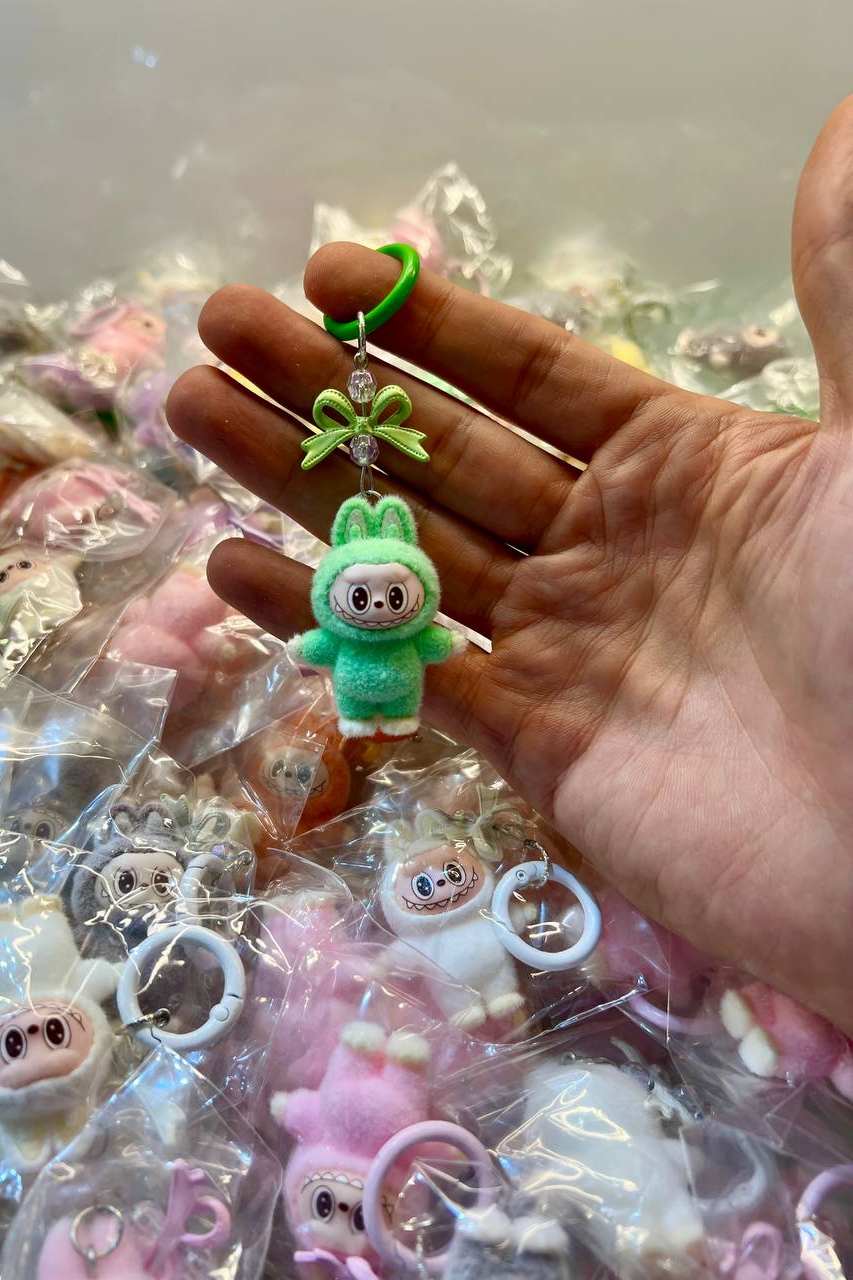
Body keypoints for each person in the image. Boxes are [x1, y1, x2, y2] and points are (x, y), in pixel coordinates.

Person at [167, 99, 853, 1037]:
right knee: (373, 698)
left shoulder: (413, 609)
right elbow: (331, 639)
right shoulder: (368, 595)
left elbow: (411, 637)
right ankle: (378, 716)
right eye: (363, 596)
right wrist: (323, 644)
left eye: (391, 594)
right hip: (396, 682)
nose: (378, 601)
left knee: (386, 695)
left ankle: (381, 716)